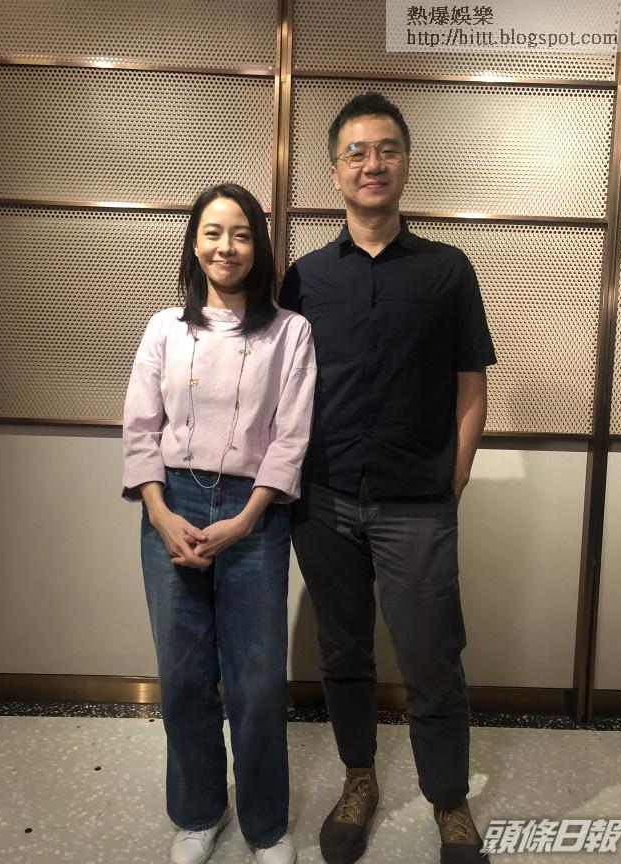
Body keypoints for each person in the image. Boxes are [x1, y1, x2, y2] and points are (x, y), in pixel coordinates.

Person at [279, 92, 496, 864]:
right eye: (356, 151)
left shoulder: (447, 270)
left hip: (417, 501)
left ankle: (449, 799)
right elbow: (281, 386)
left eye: (387, 149)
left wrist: (451, 482)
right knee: (344, 655)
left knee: (433, 656)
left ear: (405, 162)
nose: (372, 163)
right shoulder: (303, 278)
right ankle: (359, 778)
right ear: (335, 170)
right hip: (323, 498)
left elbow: (471, 386)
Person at [122, 183, 316, 864]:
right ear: (194, 243)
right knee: (182, 677)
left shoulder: (289, 331)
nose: (225, 247)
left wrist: (248, 517)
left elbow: (291, 435)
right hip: (171, 504)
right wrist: (159, 511)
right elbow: (141, 427)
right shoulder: (164, 328)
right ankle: (199, 812)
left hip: (254, 512)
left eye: (240, 234)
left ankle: (266, 826)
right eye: (212, 232)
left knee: (256, 682)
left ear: (258, 246)